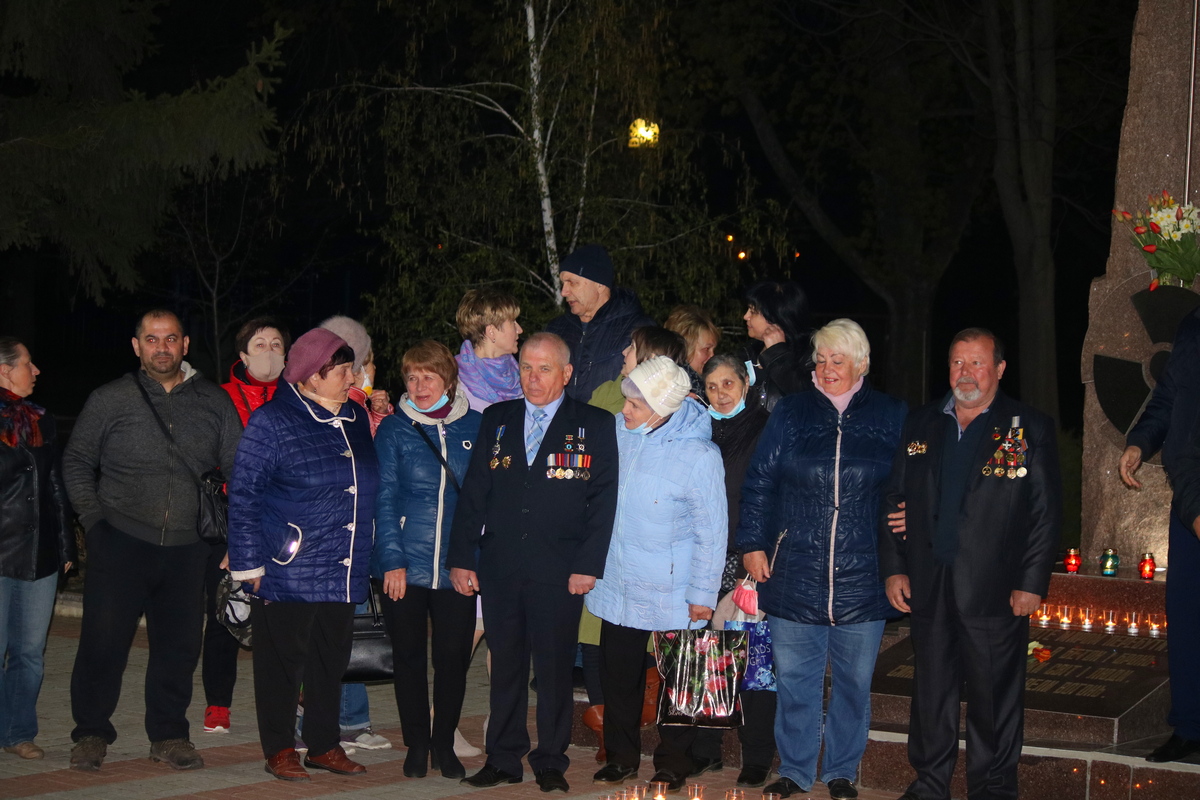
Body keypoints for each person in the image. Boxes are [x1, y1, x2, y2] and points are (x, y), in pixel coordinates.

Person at [879, 328, 1060, 800]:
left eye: (977, 363)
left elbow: (1044, 512)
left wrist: (1032, 581)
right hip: (929, 583)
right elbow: (895, 498)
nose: (966, 373)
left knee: (994, 698)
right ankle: (930, 783)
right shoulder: (921, 423)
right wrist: (895, 568)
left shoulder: (1027, 428)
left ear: (999, 368)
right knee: (932, 693)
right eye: (958, 363)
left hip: (995, 588)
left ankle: (994, 787)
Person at [62, 310, 243, 772]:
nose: (161, 347)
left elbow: (238, 468)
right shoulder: (111, 399)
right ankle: (90, 734)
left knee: (179, 648)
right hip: (120, 539)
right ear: (136, 345)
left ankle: (168, 735)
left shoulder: (214, 401)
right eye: (151, 339)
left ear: (185, 345)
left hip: (188, 548)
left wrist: (235, 534)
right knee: (102, 645)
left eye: (170, 339)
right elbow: (77, 460)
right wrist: (95, 523)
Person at [739, 320, 906, 799]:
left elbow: (908, 483)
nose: (827, 369)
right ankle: (793, 769)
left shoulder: (892, 414)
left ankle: (841, 771)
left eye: (839, 360)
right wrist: (752, 543)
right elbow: (760, 483)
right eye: (821, 359)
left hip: (863, 575)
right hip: (794, 570)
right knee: (795, 682)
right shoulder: (791, 412)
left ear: (862, 364)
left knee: (853, 685)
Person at [447, 332, 619, 793]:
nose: (533, 377)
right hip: (501, 567)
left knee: (555, 670)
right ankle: (503, 757)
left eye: (545, 369)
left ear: (566, 374)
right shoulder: (498, 419)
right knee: (505, 667)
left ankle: (550, 761)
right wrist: (462, 557)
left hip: (560, 571)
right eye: (526, 367)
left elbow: (603, 503)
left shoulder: (596, 424)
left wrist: (588, 565)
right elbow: (475, 493)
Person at [227, 328, 380, 782]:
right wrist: (249, 562)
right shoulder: (273, 421)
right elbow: (244, 495)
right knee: (280, 664)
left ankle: (323, 745)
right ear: (313, 376)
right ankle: (279, 749)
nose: (352, 376)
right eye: (343, 369)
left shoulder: (352, 416)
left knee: (330, 661)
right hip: (288, 567)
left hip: (342, 563)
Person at [585, 356, 726, 791]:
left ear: (663, 408)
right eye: (626, 401)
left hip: (675, 588)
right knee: (619, 674)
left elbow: (712, 531)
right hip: (619, 580)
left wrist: (703, 593)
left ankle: (674, 760)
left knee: (680, 679)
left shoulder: (699, 454)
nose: (624, 410)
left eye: (635, 405)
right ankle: (621, 755)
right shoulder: (617, 436)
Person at [373, 340, 482, 779]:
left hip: (458, 564)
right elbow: (383, 498)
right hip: (406, 565)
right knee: (409, 658)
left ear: (448, 380)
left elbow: (482, 503)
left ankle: (444, 743)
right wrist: (391, 561)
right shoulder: (395, 430)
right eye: (412, 377)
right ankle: (417, 744)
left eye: (428, 376)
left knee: (453, 658)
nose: (419, 386)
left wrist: (469, 559)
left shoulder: (476, 426)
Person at [1118, 307, 1200, 762]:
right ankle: (1189, 726)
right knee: (1188, 615)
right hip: (1193, 491)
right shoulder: (1192, 325)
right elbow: (1170, 398)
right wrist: (1140, 442)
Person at [203, 318, 291, 736]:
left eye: (276, 344)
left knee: (286, 618)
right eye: (260, 344)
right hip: (231, 519)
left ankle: (293, 699)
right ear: (242, 355)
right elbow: (208, 458)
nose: (269, 351)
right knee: (226, 610)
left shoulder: (298, 395)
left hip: (286, 523)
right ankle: (218, 702)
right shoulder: (220, 398)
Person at [315, 315, 392, 753]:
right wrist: (362, 398)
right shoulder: (333, 403)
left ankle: (349, 718)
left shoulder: (360, 404)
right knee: (330, 629)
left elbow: (377, 459)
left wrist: (379, 410)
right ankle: (331, 720)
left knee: (350, 626)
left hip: (357, 533)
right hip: (325, 534)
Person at [0, 338, 75, 761]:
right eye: (29, 363)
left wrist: (66, 544)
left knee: (29, 652)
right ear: (5, 370)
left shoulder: (40, 420)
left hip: (38, 553)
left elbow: (55, 486)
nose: (36, 371)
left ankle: (17, 732)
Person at [702, 354, 774, 787]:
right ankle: (706, 750)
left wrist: (756, 554)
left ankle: (757, 754)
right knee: (707, 656)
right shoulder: (698, 426)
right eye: (711, 386)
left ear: (745, 383)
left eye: (728, 383)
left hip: (747, 560)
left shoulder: (766, 426)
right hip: (704, 561)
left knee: (753, 663)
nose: (720, 393)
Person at [545, 244, 655, 401]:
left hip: (615, 423)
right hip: (562, 424)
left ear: (599, 285)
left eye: (572, 282)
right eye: (563, 283)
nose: (564, 292)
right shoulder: (555, 329)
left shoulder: (639, 329)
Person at [741, 280, 810, 411]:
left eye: (753, 311)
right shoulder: (747, 353)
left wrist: (777, 354)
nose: (746, 316)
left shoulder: (812, 355)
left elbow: (807, 398)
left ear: (776, 316)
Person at [588, 326, 687, 414]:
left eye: (632, 347)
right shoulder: (608, 389)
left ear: (650, 359)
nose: (624, 352)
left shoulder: (661, 407)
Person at [455, 287, 525, 412]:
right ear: (491, 332)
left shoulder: (521, 374)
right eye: (513, 323)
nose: (520, 330)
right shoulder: (453, 379)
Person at [665, 305, 721, 397]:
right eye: (706, 349)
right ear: (685, 348)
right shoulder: (678, 390)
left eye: (713, 349)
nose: (712, 356)